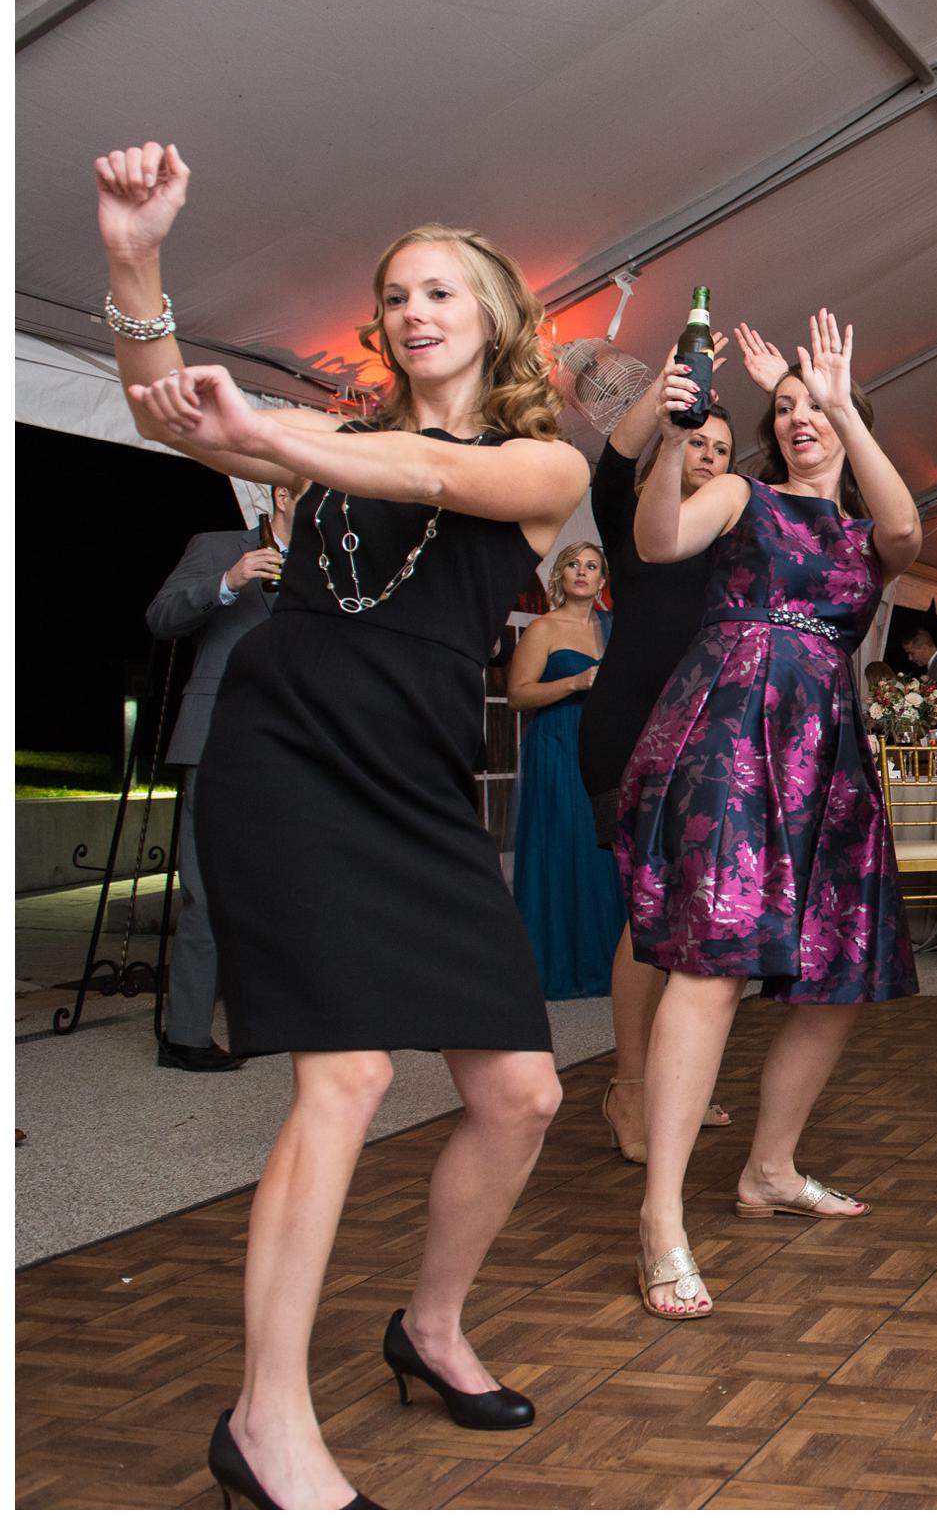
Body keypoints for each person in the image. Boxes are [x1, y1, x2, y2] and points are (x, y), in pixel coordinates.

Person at [101, 141, 586, 1509]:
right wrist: (138, 257)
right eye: (396, 291)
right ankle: (267, 1418)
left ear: (494, 315)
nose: (414, 307)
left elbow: (437, 483)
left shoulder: (541, 462)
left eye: (441, 288)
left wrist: (267, 435)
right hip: (289, 754)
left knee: (522, 1089)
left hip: (420, 782)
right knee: (349, 1075)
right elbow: (162, 409)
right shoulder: (327, 437)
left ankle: (429, 1323)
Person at [618, 308, 919, 1321]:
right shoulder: (742, 495)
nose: (798, 418)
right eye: (782, 407)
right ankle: (661, 1213)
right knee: (712, 969)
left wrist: (844, 405)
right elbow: (659, 540)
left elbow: (911, 533)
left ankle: (770, 1169)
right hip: (732, 735)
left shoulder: (867, 530)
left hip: (824, 751)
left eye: (815, 405)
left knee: (832, 975)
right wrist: (671, 441)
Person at [576, 368, 740, 1161]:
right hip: (626, 731)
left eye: (721, 449)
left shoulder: (735, 536)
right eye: (698, 440)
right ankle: (629, 1088)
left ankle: (671, 1080)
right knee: (651, 914)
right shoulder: (629, 516)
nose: (708, 455)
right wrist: (673, 396)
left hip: (701, 743)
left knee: (686, 917)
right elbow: (613, 457)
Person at [144, 484, 302, 1072]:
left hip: (295, 749)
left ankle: (272, 1019)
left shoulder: (334, 565)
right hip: (214, 739)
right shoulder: (218, 547)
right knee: (208, 892)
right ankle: (184, 1035)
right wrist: (229, 582)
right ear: (283, 495)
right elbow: (162, 619)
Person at [506, 541, 623, 1000]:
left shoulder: (616, 627)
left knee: (605, 849)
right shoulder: (544, 628)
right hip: (557, 743)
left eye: (592, 566)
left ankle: (611, 964)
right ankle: (557, 963)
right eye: (574, 564)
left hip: (606, 744)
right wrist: (574, 681)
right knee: (563, 839)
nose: (582, 572)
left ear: (601, 580)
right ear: (562, 574)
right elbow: (517, 695)